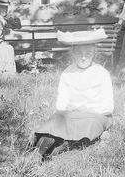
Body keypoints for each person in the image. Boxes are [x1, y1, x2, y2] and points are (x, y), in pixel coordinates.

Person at [30, 29, 114, 160]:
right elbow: (61, 103)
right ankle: (42, 144)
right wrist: (67, 107)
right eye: (79, 53)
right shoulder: (67, 73)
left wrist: (90, 109)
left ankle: (61, 146)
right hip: (71, 113)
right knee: (57, 118)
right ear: (73, 54)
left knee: (89, 122)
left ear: (94, 54)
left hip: (94, 114)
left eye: (88, 53)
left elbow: (108, 105)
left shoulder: (102, 73)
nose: (83, 57)